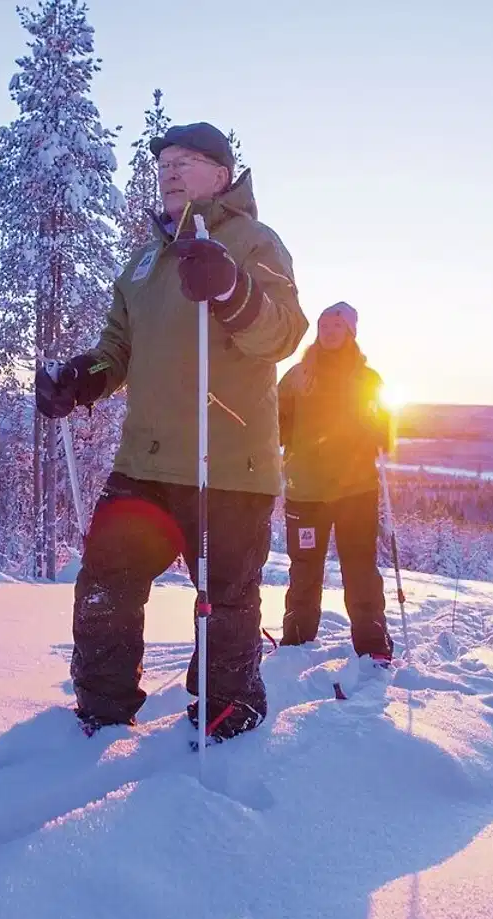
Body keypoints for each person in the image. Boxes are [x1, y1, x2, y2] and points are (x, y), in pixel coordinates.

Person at [35, 122, 309, 742]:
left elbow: (285, 334)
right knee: (106, 579)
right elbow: (117, 350)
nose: (170, 170)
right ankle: (101, 711)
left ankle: (227, 709)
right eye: (163, 161)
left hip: (230, 465)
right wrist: (81, 378)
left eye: (187, 161)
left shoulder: (255, 243)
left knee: (226, 600)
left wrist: (233, 290)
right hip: (146, 462)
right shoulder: (143, 261)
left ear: (222, 174)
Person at [276, 302, 394, 663]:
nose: (328, 331)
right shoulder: (297, 376)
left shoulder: (368, 380)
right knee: (304, 567)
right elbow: (276, 424)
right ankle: (296, 639)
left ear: (351, 332)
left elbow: (385, 433)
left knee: (359, 566)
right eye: (324, 325)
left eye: (337, 326)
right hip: (305, 489)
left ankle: (372, 644)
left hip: (355, 490)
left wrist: (377, 430)